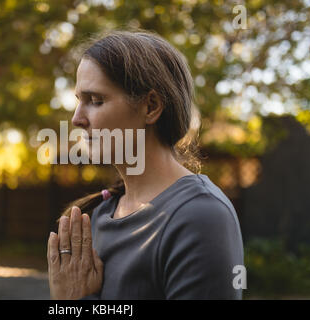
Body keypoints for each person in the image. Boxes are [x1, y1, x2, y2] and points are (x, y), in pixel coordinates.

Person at [47, 28, 244, 300]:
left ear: (151, 107)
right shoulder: (98, 215)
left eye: (96, 100)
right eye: (79, 100)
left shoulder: (201, 216)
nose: (76, 119)